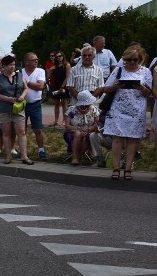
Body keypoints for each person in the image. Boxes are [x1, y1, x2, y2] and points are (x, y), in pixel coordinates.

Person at [95, 45, 153, 180]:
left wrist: (141, 88)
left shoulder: (145, 72)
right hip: (118, 109)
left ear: (140, 59)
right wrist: (116, 86)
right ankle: (115, 168)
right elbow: (106, 89)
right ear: (125, 59)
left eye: (136, 60)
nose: (132, 62)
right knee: (117, 138)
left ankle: (128, 169)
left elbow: (149, 92)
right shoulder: (118, 70)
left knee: (133, 139)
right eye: (129, 60)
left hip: (137, 110)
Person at [0, 55, 32, 164]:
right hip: (4, 109)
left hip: (18, 108)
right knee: (6, 133)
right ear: (3, 66)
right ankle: (8, 155)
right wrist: (7, 99)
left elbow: (25, 88)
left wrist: (23, 96)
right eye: (10, 65)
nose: (12, 67)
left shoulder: (20, 76)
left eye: (14, 64)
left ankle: (24, 156)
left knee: (21, 131)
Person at [21, 52, 47, 160]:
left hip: (35, 104)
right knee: (22, 130)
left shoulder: (40, 71)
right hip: (22, 105)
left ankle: (41, 150)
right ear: (26, 62)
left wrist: (26, 83)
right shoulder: (20, 72)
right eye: (33, 60)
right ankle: (23, 151)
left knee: (37, 129)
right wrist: (32, 84)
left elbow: (41, 86)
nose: (36, 61)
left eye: (37, 59)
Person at [64, 91, 100, 165]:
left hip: (89, 132)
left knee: (85, 136)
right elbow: (67, 126)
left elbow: (97, 123)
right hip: (73, 132)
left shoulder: (93, 109)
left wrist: (89, 129)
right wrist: (78, 128)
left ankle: (77, 158)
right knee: (78, 134)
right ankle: (75, 157)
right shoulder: (72, 110)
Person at [48, 51, 71, 126]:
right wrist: (50, 69)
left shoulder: (67, 65)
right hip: (56, 86)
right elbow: (48, 76)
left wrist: (62, 87)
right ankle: (56, 120)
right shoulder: (55, 66)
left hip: (64, 86)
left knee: (64, 104)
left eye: (60, 56)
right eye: (57, 57)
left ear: (63, 56)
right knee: (56, 104)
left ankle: (64, 120)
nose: (58, 58)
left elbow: (68, 77)